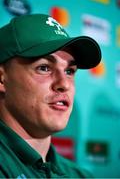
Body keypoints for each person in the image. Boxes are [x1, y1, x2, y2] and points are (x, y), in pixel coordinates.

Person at [0, 13, 101, 178]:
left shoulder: (81, 176)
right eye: (44, 68)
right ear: (2, 79)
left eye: (69, 71)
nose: (64, 84)